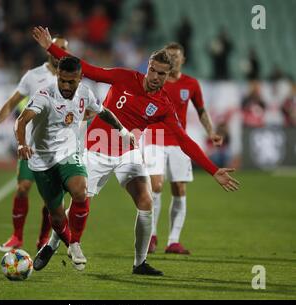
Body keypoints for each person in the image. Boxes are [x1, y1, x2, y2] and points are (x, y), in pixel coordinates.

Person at [33, 26, 239, 276]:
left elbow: (184, 140)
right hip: (96, 149)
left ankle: (140, 263)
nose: (155, 76)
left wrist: (213, 170)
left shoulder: (163, 105)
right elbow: (90, 70)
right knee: (80, 201)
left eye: (161, 74)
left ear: (168, 75)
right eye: (152, 70)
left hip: (128, 153)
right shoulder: (124, 77)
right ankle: (51, 246)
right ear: (148, 66)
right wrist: (50, 48)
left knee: (146, 200)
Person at [15, 56, 133, 272]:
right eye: (62, 81)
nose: (66, 86)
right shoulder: (44, 94)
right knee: (57, 216)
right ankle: (66, 242)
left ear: (80, 78)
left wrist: (123, 131)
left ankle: (75, 243)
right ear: (57, 77)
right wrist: (22, 144)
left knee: (80, 191)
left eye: (71, 82)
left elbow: (103, 112)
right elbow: (22, 120)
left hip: (69, 154)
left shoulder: (85, 93)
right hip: (42, 160)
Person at [0, 36, 69, 252]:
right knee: (23, 188)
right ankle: (16, 236)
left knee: (50, 199)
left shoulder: (71, 77)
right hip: (32, 144)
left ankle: (42, 240)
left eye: (64, 50)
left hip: (58, 147)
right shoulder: (33, 76)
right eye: (57, 49)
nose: (60, 54)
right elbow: (12, 102)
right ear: (49, 51)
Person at [141, 42, 223, 254]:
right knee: (156, 185)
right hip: (154, 137)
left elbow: (201, 110)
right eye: (170, 56)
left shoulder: (191, 84)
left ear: (183, 59)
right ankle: (151, 236)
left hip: (179, 142)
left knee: (179, 188)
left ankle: (173, 241)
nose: (174, 59)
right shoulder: (157, 81)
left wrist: (211, 132)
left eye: (177, 56)